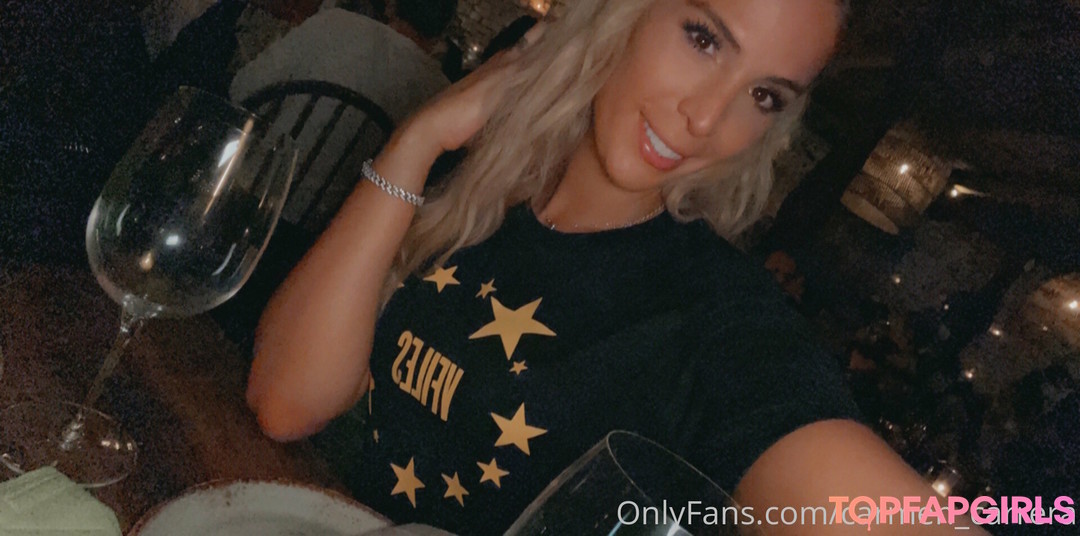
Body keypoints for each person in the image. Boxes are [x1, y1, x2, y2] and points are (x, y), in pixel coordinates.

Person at [248, 0, 990, 533]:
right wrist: (418, 140)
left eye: (764, 96)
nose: (708, 118)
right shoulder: (475, 185)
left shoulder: (717, 321)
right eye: (704, 37)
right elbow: (285, 402)